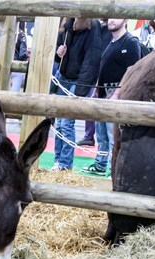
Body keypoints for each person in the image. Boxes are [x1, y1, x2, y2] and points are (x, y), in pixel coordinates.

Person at [82, 18, 143, 176]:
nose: (111, 20)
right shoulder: (111, 42)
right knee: (101, 134)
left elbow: (131, 71)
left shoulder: (131, 42)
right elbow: (104, 67)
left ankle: (113, 168)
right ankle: (101, 164)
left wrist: (117, 93)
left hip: (117, 93)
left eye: (116, 17)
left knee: (112, 134)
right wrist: (97, 88)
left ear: (125, 20)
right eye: (110, 17)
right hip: (103, 93)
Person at [50, 17, 102, 172]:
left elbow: (91, 60)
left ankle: (65, 165)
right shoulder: (67, 26)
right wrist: (58, 53)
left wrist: (80, 90)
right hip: (64, 78)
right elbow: (57, 52)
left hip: (77, 81)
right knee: (59, 123)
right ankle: (58, 161)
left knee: (66, 124)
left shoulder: (92, 26)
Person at [10, 21, 29, 92]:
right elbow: (22, 54)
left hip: (6, 65)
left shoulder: (8, 34)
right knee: (15, 91)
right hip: (17, 67)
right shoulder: (22, 35)